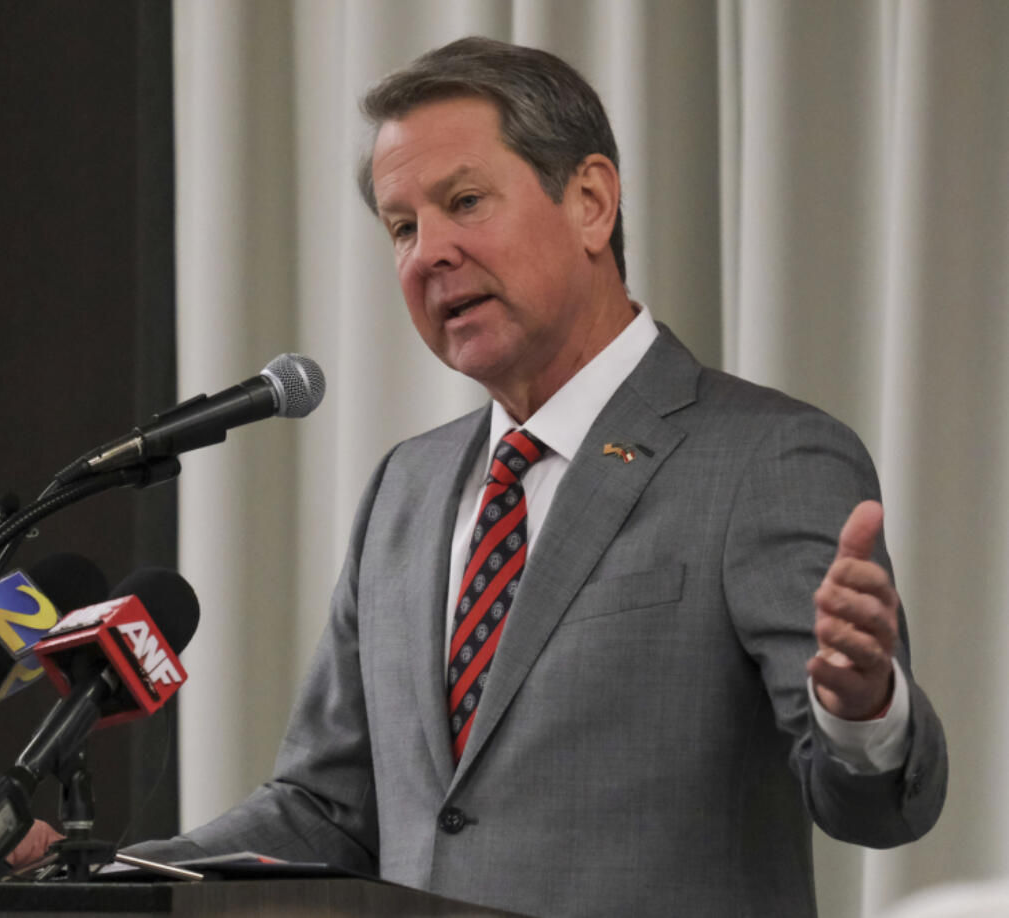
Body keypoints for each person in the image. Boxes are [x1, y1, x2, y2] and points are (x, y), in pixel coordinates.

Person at [121, 37, 947, 917]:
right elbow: (326, 809)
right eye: (402, 227)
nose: (428, 252)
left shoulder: (763, 460)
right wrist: (114, 878)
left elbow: (874, 806)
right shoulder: (406, 488)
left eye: (465, 201)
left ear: (591, 202)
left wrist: (862, 711)